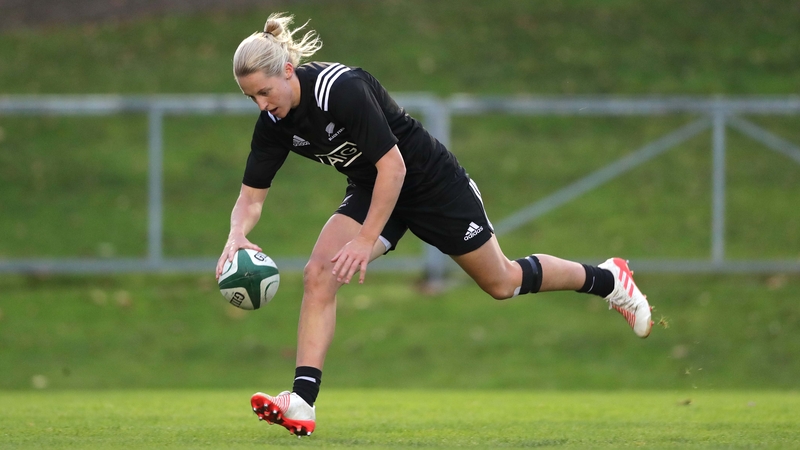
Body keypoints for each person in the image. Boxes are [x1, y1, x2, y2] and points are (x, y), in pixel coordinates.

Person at [216, 13, 653, 438]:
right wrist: (237, 236)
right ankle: (302, 401)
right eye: (251, 97)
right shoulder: (273, 124)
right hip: (373, 187)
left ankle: (608, 279)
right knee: (319, 274)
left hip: (429, 183)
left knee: (501, 282)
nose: (261, 104)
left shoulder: (341, 89)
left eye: (264, 92)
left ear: (288, 71)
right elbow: (251, 197)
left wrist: (367, 238)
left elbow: (395, 167)